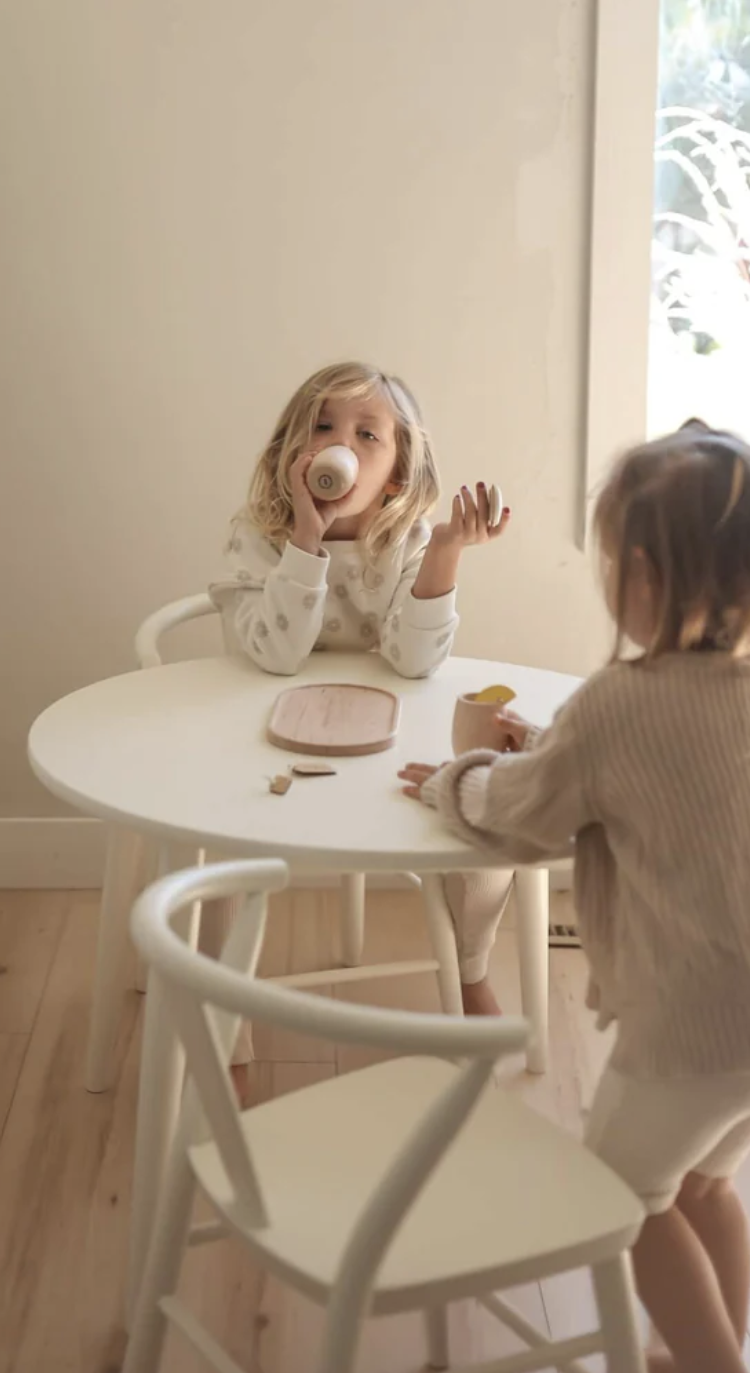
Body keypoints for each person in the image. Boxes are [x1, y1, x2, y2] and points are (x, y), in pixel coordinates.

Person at [399, 420, 750, 1373]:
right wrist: (557, 751)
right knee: (705, 1188)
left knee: (619, 1199)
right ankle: (709, 1365)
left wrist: (455, 779)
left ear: (640, 576)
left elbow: (522, 816)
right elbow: (655, 780)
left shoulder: (616, 705)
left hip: (699, 1028)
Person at [209, 360, 515, 1027]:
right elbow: (275, 654)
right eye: (321, 426)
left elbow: (413, 663)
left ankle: (469, 969)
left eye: (366, 434)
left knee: (491, 813)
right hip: (265, 743)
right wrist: (306, 540)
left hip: (385, 740)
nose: (338, 444)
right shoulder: (259, 538)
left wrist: (444, 553)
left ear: (397, 472)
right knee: (223, 856)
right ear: (293, 451)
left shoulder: (403, 543)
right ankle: (225, 1027)